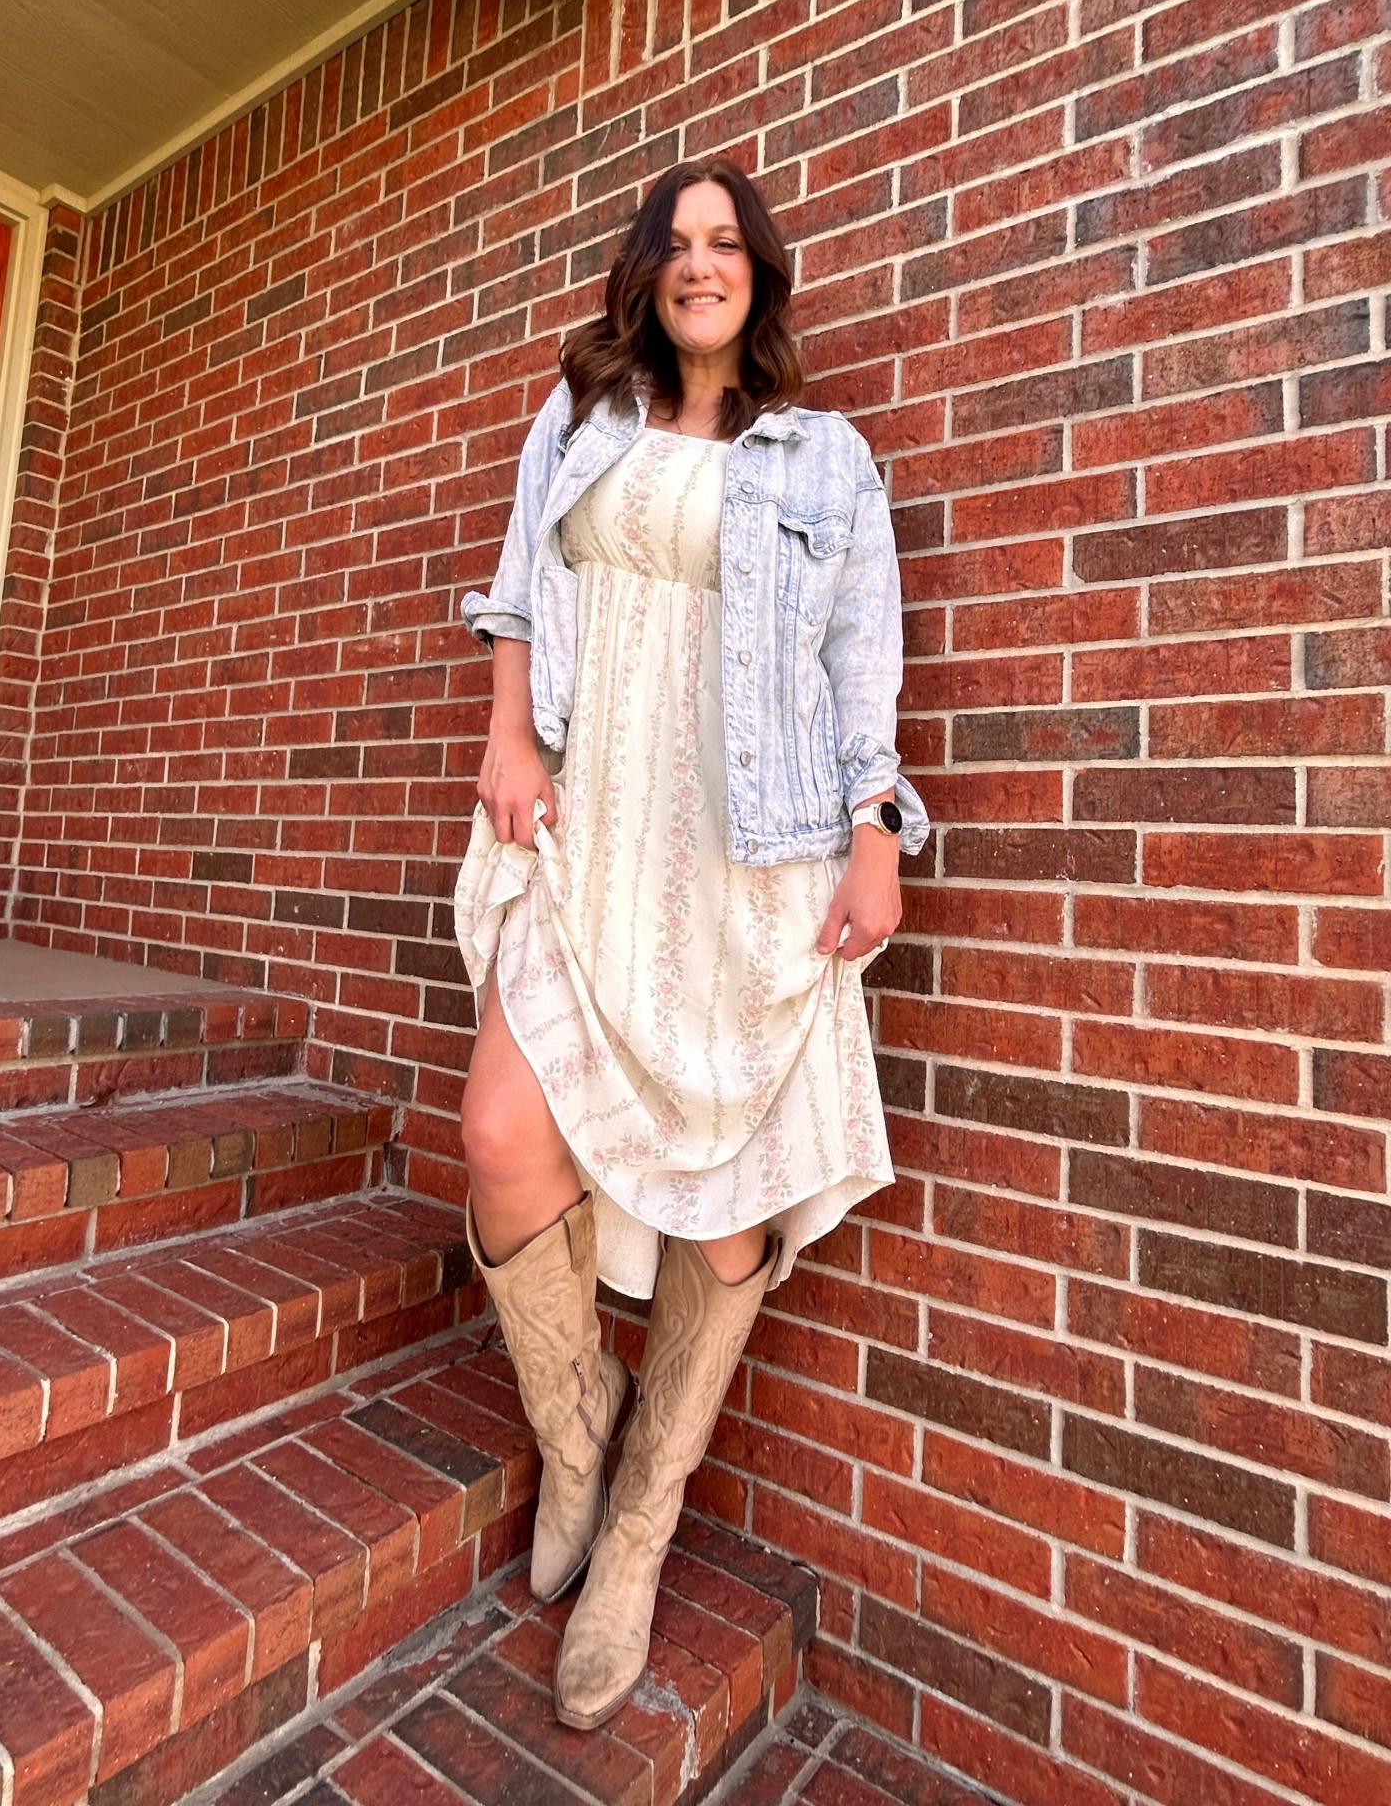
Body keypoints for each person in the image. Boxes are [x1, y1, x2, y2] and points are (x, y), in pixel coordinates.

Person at [453, 156, 928, 1730]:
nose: (702, 263)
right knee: (503, 1135)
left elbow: (862, 659)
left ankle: (639, 1535)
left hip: (749, 856)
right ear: (648, 271)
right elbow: (520, 596)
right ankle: (578, 1438)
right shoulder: (580, 413)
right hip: (585, 824)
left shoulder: (825, 457)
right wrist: (509, 738)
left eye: (728, 242)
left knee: (729, 1212)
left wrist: (878, 828)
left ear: (758, 273)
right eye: (679, 241)